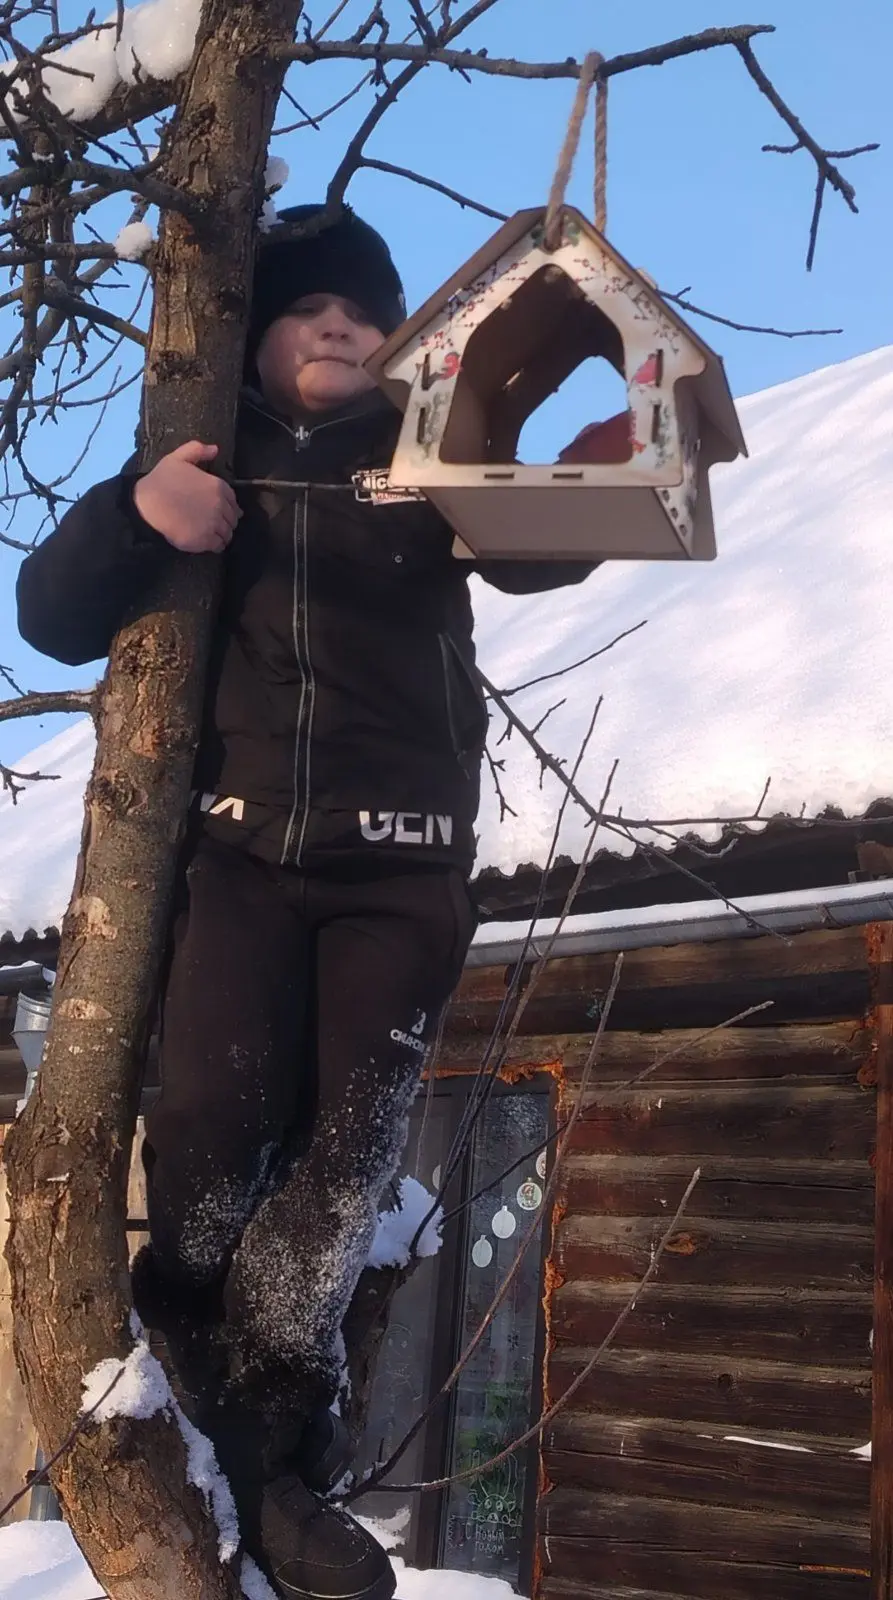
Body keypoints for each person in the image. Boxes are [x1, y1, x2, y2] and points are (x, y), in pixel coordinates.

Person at [16, 204, 593, 1600]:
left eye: (365, 313)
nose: (340, 326)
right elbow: (50, 611)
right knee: (209, 1134)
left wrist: (587, 479)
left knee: (346, 1155)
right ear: (252, 338)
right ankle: (234, 1433)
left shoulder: (430, 449)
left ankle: (269, 1441)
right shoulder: (205, 458)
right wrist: (140, 513)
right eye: (307, 309)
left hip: (403, 864)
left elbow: (538, 546)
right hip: (240, 862)